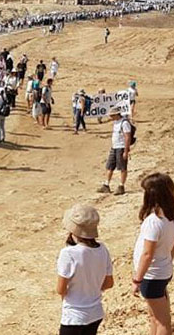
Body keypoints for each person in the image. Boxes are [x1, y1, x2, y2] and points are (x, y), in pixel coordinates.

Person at [131, 173, 174, 335]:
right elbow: (173, 245)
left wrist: (137, 279)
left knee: (162, 322)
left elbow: (147, 253)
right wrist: (167, 262)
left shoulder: (154, 221)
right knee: (155, 317)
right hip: (162, 271)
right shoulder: (173, 217)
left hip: (152, 276)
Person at [57, 204, 114, 335]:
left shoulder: (68, 253)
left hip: (74, 316)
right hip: (95, 314)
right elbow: (109, 283)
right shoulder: (103, 249)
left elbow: (60, 289)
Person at [98, 107, 132, 196]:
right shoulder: (116, 122)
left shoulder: (124, 123)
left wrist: (126, 150)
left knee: (122, 168)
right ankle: (106, 185)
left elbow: (127, 137)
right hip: (114, 147)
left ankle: (121, 186)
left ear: (117, 114)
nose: (111, 117)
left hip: (121, 147)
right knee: (109, 166)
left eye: (112, 115)